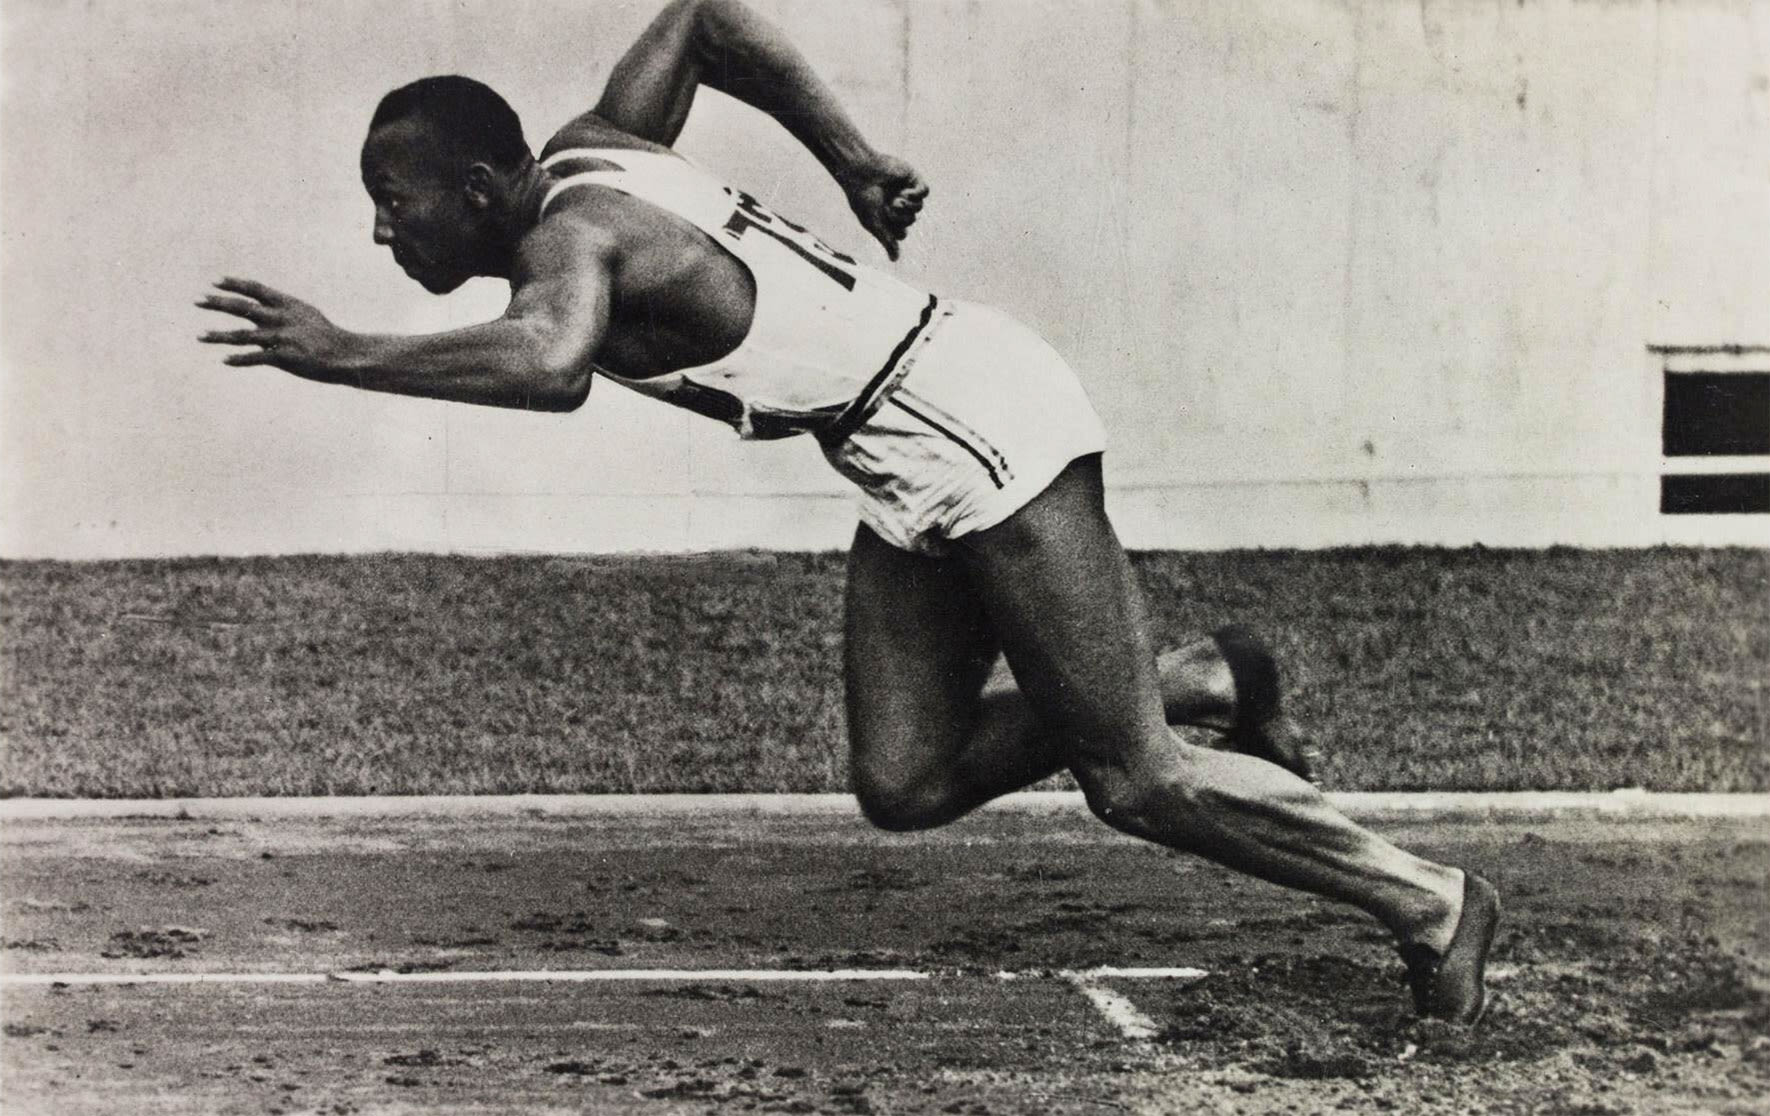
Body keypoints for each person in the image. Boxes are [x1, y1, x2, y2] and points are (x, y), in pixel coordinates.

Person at [199, 0, 1498, 1023]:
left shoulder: (564, 243)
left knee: (1135, 780)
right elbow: (705, 18)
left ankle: (1429, 903)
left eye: (393, 206)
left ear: (480, 193)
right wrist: (855, 161)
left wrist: (339, 351)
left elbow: (547, 367)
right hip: (894, 447)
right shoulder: (600, 139)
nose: (382, 238)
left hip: (972, 421)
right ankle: (1201, 675)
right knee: (905, 776)